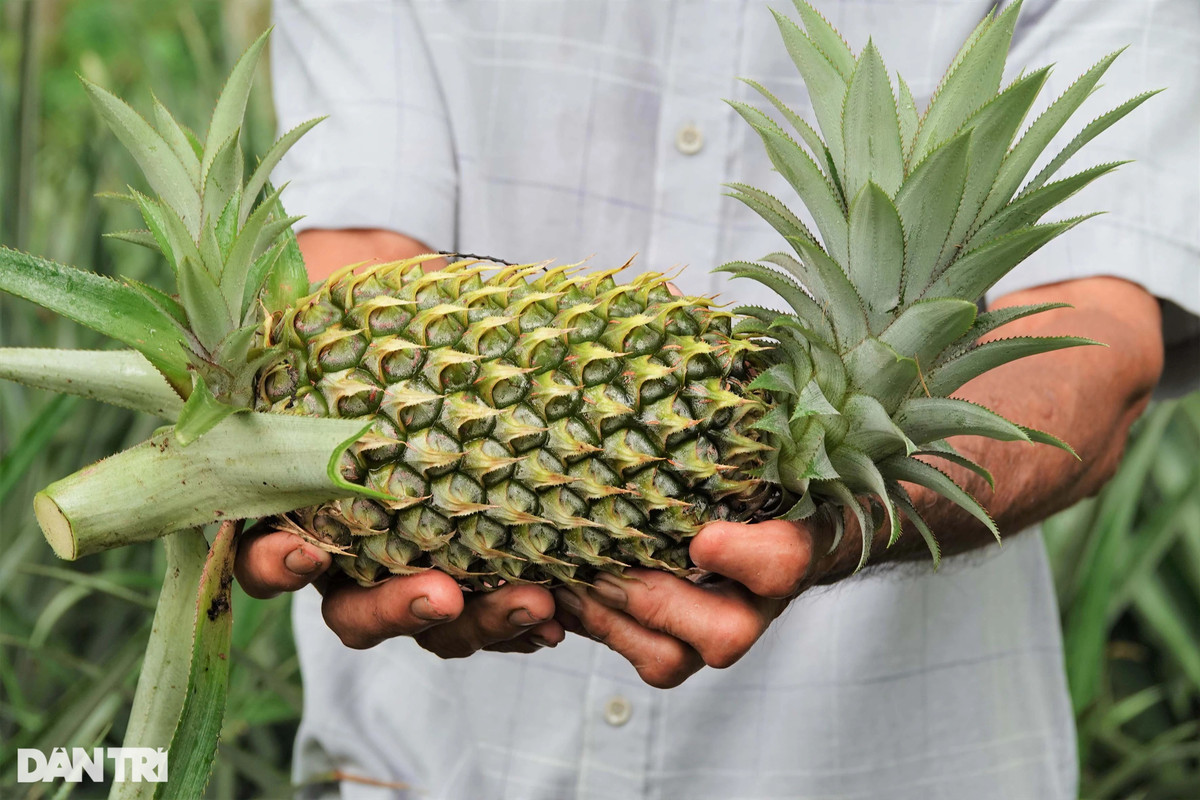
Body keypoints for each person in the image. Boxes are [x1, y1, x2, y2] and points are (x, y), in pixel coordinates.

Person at [236, 0, 1198, 797]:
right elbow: (355, 243)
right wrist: (356, 448)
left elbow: (1096, 332)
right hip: (438, 765)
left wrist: (844, 522)